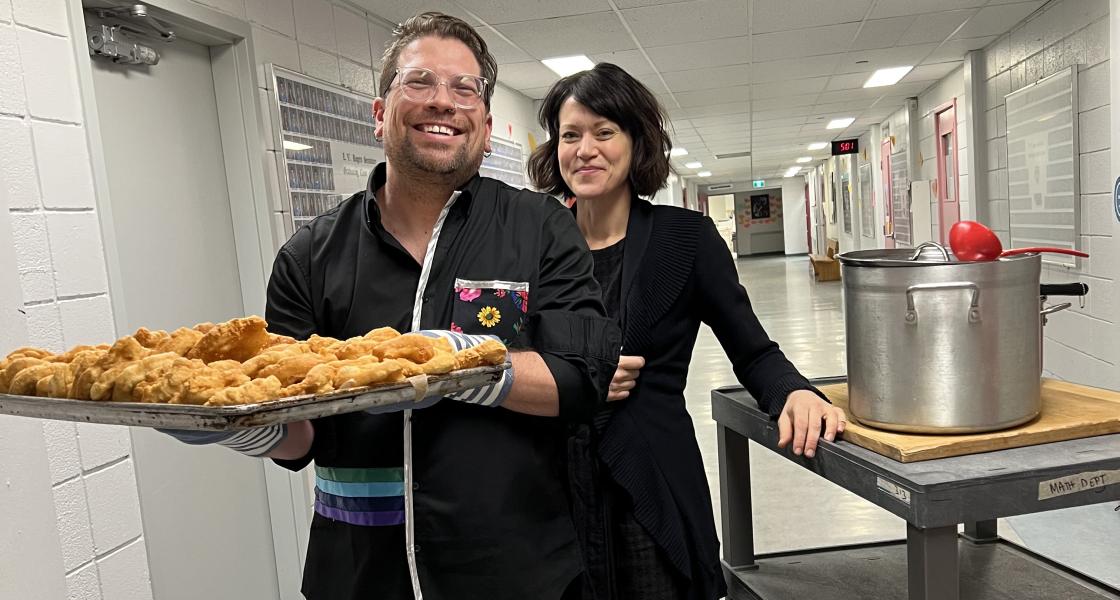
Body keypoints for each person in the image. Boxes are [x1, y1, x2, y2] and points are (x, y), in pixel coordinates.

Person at [167, 12, 619, 600]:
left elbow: (580, 379)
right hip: (358, 572)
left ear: (484, 126)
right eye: (420, 83)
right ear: (380, 114)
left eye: (465, 89)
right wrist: (231, 425)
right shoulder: (309, 255)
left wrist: (457, 363)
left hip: (513, 565)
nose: (443, 102)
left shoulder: (541, 231)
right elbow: (300, 435)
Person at [527, 63, 847, 600]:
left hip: (651, 487)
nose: (585, 149)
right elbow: (497, 351)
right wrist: (569, 379)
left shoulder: (685, 240)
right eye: (570, 135)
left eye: (604, 132)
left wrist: (795, 391)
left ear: (636, 142)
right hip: (549, 491)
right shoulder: (532, 245)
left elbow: (753, 350)